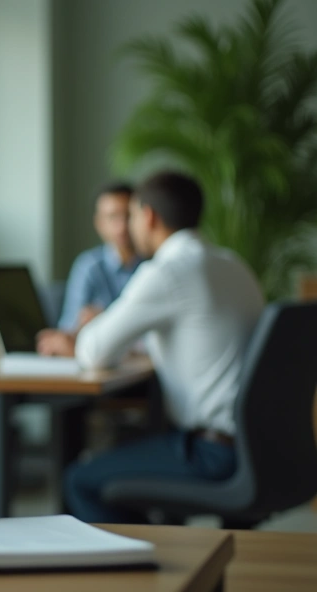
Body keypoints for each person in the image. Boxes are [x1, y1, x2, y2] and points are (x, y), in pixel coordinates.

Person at [45, 171, 264, 523]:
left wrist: (96, 324)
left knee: (80, 480)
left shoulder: (167, 271)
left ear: (148, 216)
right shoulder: (233, 264)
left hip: (211, 452)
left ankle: (144, 566)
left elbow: (92, 352)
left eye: (130, 216)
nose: (128, 228)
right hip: (257, 446)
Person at [37, 183, 142, 354]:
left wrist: (105, 321)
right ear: (99, 223)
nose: (122, 226)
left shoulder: (153, 265)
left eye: (128, 216)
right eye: (112, 217)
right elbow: (69, 328)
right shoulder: (88, 266)